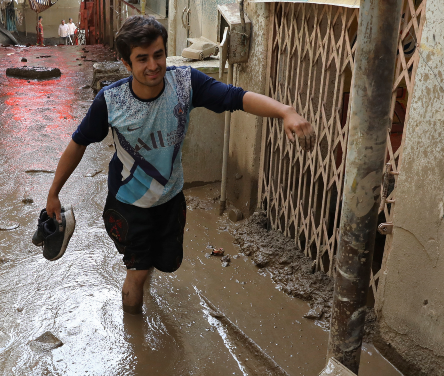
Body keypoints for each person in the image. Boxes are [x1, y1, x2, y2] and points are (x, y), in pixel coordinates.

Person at [35, 16, 316, 314]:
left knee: (167, 263)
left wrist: (284, 111)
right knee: (138, 271)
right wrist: (54, 192)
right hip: (128, 204)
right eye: (141, 59)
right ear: (126, 64)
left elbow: (235, 97)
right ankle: (136, 337)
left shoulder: (184, 83)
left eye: (158, 55)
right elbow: (78, 143)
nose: (153, 65)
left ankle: (143, 276)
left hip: (170, 198)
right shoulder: (111, 101)